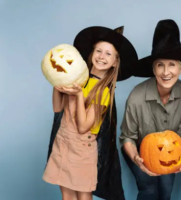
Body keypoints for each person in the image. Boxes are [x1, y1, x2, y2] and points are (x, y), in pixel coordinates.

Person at [43, 26, 138, 200]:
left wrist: (79, 95)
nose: (102, 56)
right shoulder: (77, 79)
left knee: (83, 195)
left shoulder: (103, 91)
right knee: (67, 196)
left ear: (115, 62)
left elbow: (83, 126)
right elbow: (57, 108)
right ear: (91, 53)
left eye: (108, 54)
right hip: (63, 141)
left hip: (82, 149)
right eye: (99, 51)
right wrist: (56, 83)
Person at [119, 19, 181, 200]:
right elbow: (127, 137)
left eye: (172, 65)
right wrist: (136, 160)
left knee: (165, 192)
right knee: (149, 190)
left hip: (170, 148)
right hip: (139, 149)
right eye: (160, 65)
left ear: (180, 69)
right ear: (153, 69)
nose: (166, 72)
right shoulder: (137, 96)